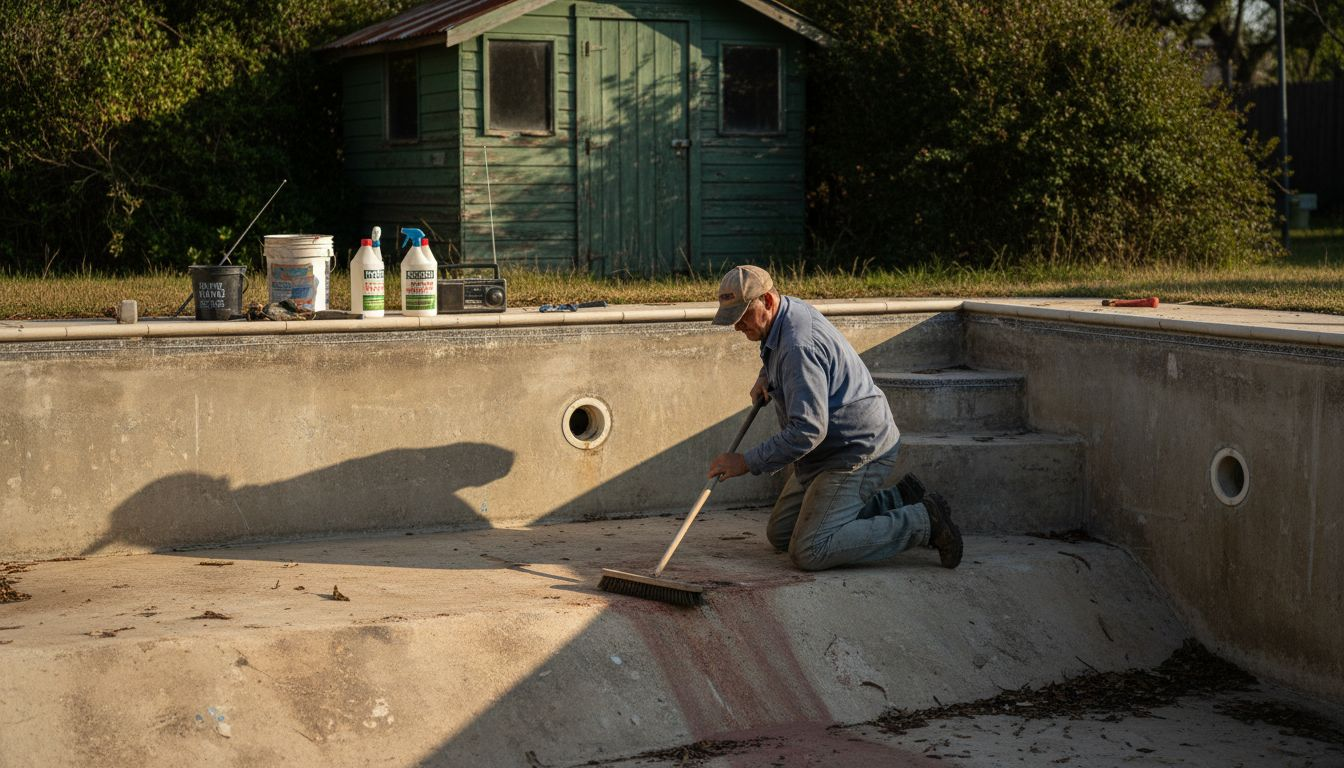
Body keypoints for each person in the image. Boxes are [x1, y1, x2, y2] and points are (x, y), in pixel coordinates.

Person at [706, 265, 963, 571]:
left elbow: (808, 430)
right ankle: (895, 500)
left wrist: (746, 462)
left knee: (810, 549)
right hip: (826, 452)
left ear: (768, 301)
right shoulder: (786, 314)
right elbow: (780, 355)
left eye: (742, 316)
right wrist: (767, 377)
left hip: (856, 451)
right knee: (781, 534)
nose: (737, 326)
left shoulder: (798, 345)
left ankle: (924, 521)